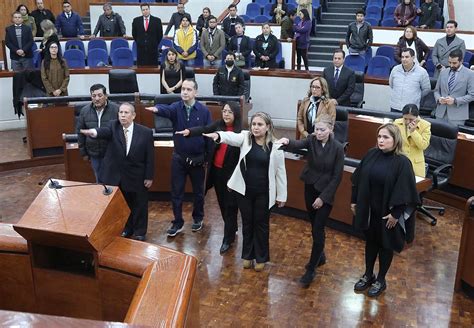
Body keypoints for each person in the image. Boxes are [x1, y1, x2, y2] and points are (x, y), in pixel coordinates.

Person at [202, 112, 287, 272]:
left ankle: (261, 257)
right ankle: (247, 256)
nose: (256, 127)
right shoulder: (245, 138)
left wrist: (281, 195)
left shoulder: (276, 147)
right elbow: (230, 137)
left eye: (260, 124)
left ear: (268, 127)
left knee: (261, 225)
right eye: (254, 124)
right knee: (247, 224)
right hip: (244, 192)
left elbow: (280, 173)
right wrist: (218, 135)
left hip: (264, 193)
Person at [351, 123, 420, 297]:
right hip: (369, 210)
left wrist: (396, 214)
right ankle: (368, 274)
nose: (381, 140)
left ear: (395, 140)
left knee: (385, 245)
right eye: (379, 137)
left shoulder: (402, 162)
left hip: (388, 213)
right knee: (371, 242)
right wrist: (354, 201)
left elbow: (406, 191)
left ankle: (381, 279)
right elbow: (357, 179)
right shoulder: (371, 154)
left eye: (386, 137)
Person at [278, 114, 344, 287]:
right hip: (310, 187)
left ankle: (311, 268)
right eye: (316, 129)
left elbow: (337, 177)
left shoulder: (338, 148)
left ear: (330, 129)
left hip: (325, 194)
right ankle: (320, 255)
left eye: (322, 130)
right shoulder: (313, 140)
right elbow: (298, 144)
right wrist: (287, 141)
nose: (319, 133)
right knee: (313, 223)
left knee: (318, 229)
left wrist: (323, 198)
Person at [145, 80, 212, 237]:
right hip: (179, 159)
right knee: (176, 192)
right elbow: (165, 109)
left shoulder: (204, 111)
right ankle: (177, 222)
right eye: (183, 89)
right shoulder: (176, 107)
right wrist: (156, 109)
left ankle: (198, 218)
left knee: (198, 193)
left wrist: (206, 157)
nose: (185, 92)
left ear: (195, 92)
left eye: (189, 89)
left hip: (197, 159)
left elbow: (208, 133)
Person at [80, 103, 154, 241]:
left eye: (126, 113)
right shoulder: (113, 126)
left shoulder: (145, 132)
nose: (123, 115)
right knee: (123, 205)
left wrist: (149, 176)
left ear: (133, 115)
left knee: (139, 204)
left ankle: (140, 232)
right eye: (121, 112)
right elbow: (104, 132)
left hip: (137, 175)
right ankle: (127, 228)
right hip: (118, 175)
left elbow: (150, 156)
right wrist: (94, 132)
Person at [176, 102, 242, 254]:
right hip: (217, 172)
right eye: (224, 111)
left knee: (230, 206)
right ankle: (231, 229)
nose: (225, 114)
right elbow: (204, 129)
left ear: (236, 114)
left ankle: (228, 239)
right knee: (223, 205)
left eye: (229, 112)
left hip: (232, 176)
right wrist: (190, 131)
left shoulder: (241, 132)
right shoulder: (219, 124)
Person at [76, 84, 119, 182]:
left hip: (112, 153)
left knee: (114, 181)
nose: (97, 98)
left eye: (100, 95)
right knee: (99, 181)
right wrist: (84, 153)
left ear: (106, 96)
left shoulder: (116, 109)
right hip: (94, 153)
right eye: (94, 96)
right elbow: (80, 133)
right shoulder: (85, 111)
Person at [434, 49, 474, 126]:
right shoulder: (443, 72)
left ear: (461, 61)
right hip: (440, 113)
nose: (451, 65)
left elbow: (472, 95)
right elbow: (436, 90)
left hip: (457, 116)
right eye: (450, 62)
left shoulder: (470, 74)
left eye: (454, 63)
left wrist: (455, 100)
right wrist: (438, 99)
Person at [393, 104, 431, 177]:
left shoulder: (425, 125)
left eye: (411, 119)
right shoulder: (396, 123)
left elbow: (423, 145)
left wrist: (413, 132)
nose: (407, 122)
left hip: (415, 165)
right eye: (405, 119)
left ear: (417, 117)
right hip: (398, 161)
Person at [389, 48, 431, 113]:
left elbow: (426, 89)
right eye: (402, 57)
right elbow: (391, 84)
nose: (404, 59)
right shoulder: (395, 69)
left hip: (411, 109)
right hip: (395, 107)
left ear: (413, 57)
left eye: (407, 57)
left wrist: (416, 96)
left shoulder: (422, 72)